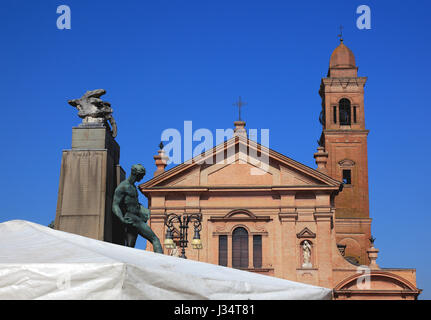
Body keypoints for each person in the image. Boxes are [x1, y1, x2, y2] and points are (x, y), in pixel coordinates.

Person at [112, 164, 163, 253]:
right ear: (136, 174)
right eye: (141, 176)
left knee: (129, 248)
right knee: (155, 239)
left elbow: (134, 203)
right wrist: (122, 219)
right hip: (132, 218)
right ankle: (162, 263)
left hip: (135, 218)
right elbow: (115, 205)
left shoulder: (133, 187)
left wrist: (144, 211)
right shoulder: (123, 187)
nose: (142, 178)